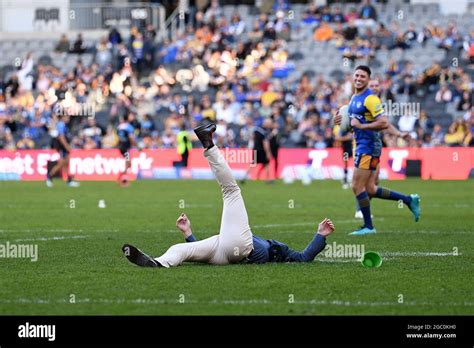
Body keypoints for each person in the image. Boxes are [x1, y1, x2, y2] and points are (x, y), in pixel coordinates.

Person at [122, 120, 335, 268]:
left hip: (242, 248)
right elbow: (301, 258)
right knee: (183, 249)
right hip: (225, 248)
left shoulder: (278, 250)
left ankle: (208, 143)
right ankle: (159, 263)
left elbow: (303, 258)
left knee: (231, 190)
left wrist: (320, 235)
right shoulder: (269, 246)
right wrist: (189, 233)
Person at [334, 66, 420, 235]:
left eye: (363, 76)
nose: (359, 78)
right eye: (357, 75)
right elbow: (352, 123)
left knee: (357, 186)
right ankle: (409, 200)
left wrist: (362, 126)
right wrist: (340, 120)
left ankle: (368, 226)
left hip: (367, 147)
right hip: (363, 145)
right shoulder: (354, 98)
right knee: (371, 188)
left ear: (368, 79)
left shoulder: (370, 99)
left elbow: (384, 123)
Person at [353, 78, 410, 219]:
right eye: (371, 85)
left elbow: (385, 124)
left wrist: (398, 134)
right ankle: (361, 210)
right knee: (364, 183)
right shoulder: (364, 102)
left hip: (374, 146)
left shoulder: (377, 104)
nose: (374, 87)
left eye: (376, 85)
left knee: (372, 183)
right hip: (365, 146)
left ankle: (364, 212)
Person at [46, 114, 80, 187]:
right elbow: (61, 137)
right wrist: (66, 146)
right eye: (67, 117)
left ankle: (69, 180)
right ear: (63, 117)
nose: (68, 119)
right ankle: (49, 176)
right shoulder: (61, 124)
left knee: (66, 163)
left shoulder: (63, 125)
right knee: (61, 163)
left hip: (63, 147)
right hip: (62, 147)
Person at [117, 114, 136, 186]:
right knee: (128, 163)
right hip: (125, 147)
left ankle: (122, 178)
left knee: (128, 162)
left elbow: (119, 136)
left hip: (121, 146)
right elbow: (131, 137)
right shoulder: (129, 126)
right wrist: (135, 145)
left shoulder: (119, 126)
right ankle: (123, 180)